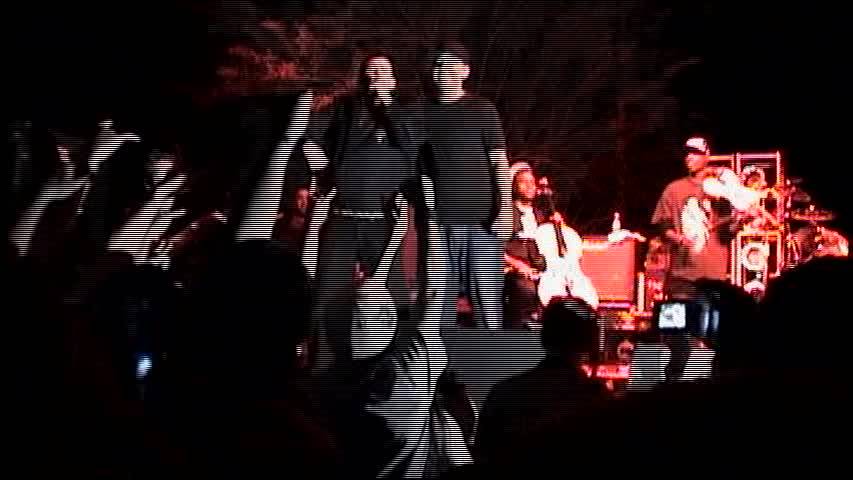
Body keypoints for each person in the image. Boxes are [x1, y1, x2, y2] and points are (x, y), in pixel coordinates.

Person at [301, 51, 423, 372]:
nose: (375, 74)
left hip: (383, 218)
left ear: (393, 79)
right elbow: (308, 135)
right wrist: (323, 169)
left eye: (382, 69)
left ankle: (394, 369)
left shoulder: (407, 111)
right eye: (370, 70)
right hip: (342, 215)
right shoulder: (346, 108)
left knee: (392, 295)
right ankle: (322, 371)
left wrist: (387, 103)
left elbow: (413, 147)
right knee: (327, 295)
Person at [422, 41, 512, 330]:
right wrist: (430, 218)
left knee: (487, 305)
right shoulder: (422, 112)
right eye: (438, 64)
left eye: (450, 64)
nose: (442, 70)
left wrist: (505, 209)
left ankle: (490, 357)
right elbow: (422, 172)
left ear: (465, 71)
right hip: (441, 225)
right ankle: (440, 359)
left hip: (481, 224)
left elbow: (499, 161)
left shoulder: (482, 109)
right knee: (438, 308)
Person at [475, 299, 608, 465]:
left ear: (544, 337)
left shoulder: (504, 392)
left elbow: (483, 453)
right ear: (590, 341)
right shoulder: (596, 400)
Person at [651, 137, 735, 300]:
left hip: (714, 276)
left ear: (707, 156)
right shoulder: (673, 189)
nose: (689, 157)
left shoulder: (723, 190)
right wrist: (679, 238)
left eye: (695, 153)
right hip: (683, 277)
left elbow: (727, 234)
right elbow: (663, 226)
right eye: (687, 153)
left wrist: (741, 221)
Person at [503, 162, 546, 329]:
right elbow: (493, 248)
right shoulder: (505, 214)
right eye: (524, 182)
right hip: (511, 271)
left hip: (537, 270)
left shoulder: (540, 215)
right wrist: (517, 265)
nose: (530, 186)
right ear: (513, 186)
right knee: (525, 288)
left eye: (532, 182)